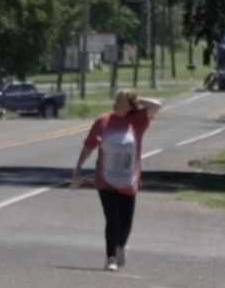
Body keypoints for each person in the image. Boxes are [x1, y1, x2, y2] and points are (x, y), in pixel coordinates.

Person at [70, 89, 163, 271]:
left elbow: (157, 105)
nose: (116, 103)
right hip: (106, 179)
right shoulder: (103, 121)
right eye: (116, 100)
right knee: (112, 219)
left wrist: (137, 99)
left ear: (129, 106)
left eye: (121, 101)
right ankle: (110, 258)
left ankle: (121, 246)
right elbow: (89, 146)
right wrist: (78, 169)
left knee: (126, 222)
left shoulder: (138, 120)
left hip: (129, 180)